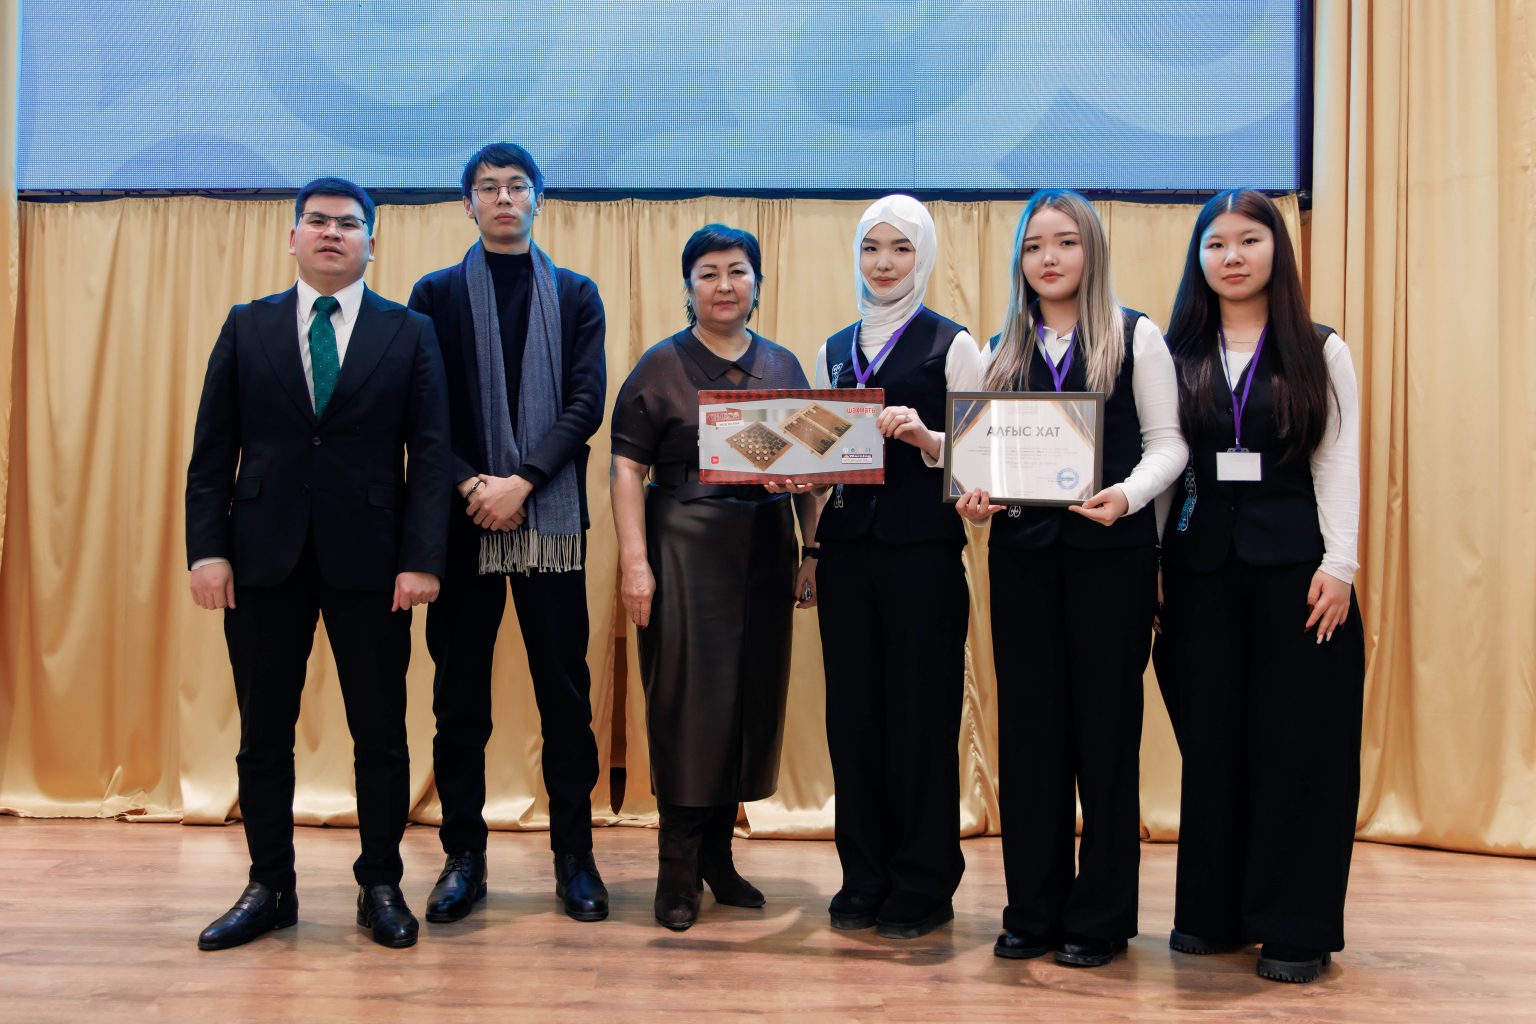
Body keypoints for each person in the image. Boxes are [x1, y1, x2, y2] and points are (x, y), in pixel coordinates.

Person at [185, 177, 450, 950]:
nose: (332, 233)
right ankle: (269, 886)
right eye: (318, 221)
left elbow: (432, 454)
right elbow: (212, 451)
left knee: (381, 733)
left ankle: (381, 885)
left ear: (372, 242)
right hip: (260, 559)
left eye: (348, 224)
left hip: (374, 562)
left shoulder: (409, 332)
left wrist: (422, 558)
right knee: (263, 732)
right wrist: (208, 550)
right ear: (292, 237)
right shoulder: (248, 325)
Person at [956, 189, 1187, 967]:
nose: (1048, 258)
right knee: (1031, 737)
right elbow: (977, 465)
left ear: (1092, 250)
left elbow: (1168, 445)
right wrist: (974, 502)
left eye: (1065, 242)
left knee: (1106, 736)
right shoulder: (999, 347)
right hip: (1022, 561)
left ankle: (1101, 918)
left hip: (1111, 562)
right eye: (1033, 246)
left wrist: (1127, 496)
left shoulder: (1135, 335)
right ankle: (1032, 910)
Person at [1157, 188, 1364, 984]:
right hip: (1199, 572)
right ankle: (1213, 912)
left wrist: (1340, 566)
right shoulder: (1175, 351)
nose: (1232, 257)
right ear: (1199, 259)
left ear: (1277, 249)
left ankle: (1295, 926)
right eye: (1216, 244)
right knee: (1213, 745)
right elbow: (1163, 465)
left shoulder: (1319, 348)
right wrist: (1156, 568)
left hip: (1298, 575)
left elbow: (1336, 460)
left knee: (1299, 748)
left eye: (1249, 240)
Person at [407, 143, 609, 924]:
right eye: (487, 188)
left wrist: (522, 482)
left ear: (537, 200)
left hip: (547, 520)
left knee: (565, 696)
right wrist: (474, 486)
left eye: (516, 186)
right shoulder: (434, 295)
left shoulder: (577, 294)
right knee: (459, 700)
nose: (502, 198)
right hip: (462, 525)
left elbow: (585, 403)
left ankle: (575, 859)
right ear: (467, 204)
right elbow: (423, 410)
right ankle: (463, 857)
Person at [610, 225, 820, 931]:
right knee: (686, 702)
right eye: (708, 273)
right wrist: (635, 562)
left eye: (737, 271)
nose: (724, 285)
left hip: (764, 546)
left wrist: (813, 550)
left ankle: (719, 860)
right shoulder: (660, 365)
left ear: (757, 283)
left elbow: (812, 468)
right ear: (689, 286)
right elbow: (626, 468)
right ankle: (677, 869)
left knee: (747, 702)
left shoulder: (783, 363)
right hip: (682, 543)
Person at [813, 195, 985, 940]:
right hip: (847, 554)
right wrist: (803, 514)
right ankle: (864, 875)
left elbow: (983, 458)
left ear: (924, 256)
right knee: (853, 719)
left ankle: (923, 879)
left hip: (923, 555)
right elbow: (820, 455)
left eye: (901, 249)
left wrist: (927, 438)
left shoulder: (954, 343)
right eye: (871, 248)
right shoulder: (832, 347)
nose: (883, 263)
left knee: (920, 717)